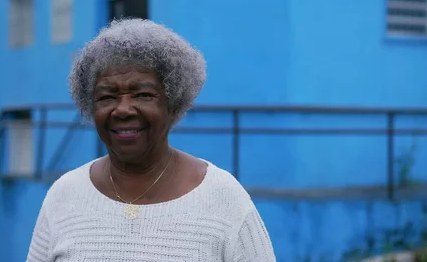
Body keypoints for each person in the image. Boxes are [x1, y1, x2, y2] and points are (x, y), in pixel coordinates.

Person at [26, 18, 276, 261]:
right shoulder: (63, 195)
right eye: (106, 97)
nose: (122, 110)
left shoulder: (224, 199)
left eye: (143, 94)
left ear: (173, 102)